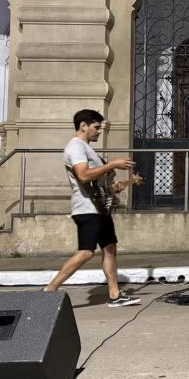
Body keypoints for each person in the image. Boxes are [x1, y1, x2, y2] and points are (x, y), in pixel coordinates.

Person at [44, 109, 141, 307]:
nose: (99, 131)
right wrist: (112, 164)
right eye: (96, 127)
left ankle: (115, 295)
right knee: (86, 252)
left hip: (99, 208)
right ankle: (48, 290)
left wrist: (115, 187)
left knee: (110, 249)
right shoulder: (75, 147)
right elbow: (84, 175)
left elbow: (95, 183)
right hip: (87, 208)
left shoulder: (86, 148)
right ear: (83, 126)